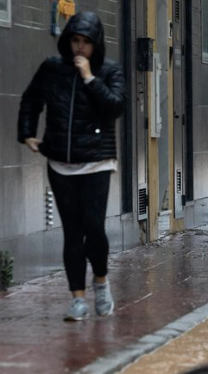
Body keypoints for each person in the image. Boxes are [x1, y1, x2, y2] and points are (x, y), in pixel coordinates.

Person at [17, 11, 126, 321]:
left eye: (86, 43)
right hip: (60, 163)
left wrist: (90, 77)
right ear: (68, 41)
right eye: (75, 41)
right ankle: (77, 299)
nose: (80, 48)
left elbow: (115, 107)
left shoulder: (109, 70)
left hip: (97, 162)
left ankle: (101, 283)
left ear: (96, 45)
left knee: (94, 227)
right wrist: (27, 134)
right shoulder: (52, 69)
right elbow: (31, 99)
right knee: (72, 232)